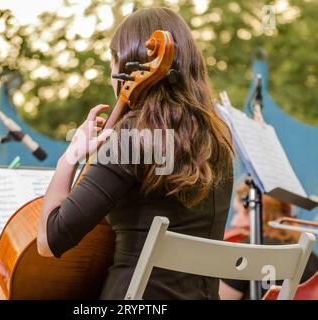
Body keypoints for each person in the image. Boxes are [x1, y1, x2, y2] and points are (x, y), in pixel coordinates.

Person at [37, 7, 234, 299]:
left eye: (111, 65)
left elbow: (49, 241)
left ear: (127, 68)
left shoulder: (132, 137)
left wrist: (71, 156)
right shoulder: (217, 138)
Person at [220, 181, 318, 299]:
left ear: (258, 212)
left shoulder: (245, 251)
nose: (234, 222)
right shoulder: (311, 258)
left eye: (239, 213)